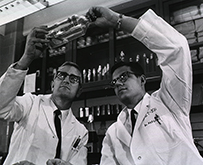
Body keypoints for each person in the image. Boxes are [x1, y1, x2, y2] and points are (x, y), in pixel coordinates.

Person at [85, 6, 203, 165]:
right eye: (114, 82)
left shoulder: (169, 102)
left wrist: (118, 21)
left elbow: (177, 48)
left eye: (124, 76)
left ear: (142, 79)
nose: (119, 83)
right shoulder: (113, 133)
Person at [0, 26, 88, 165]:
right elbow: (1, 107)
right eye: (61, 75)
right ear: (53, 84)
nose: (66, 80)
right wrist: (26, 58)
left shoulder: (81, 132)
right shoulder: (30, 103)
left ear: (79, 91)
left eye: (73, 79)